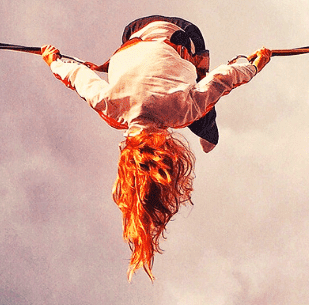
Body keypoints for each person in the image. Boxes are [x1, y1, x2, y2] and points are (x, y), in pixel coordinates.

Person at [41, 16, 271, 281]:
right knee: (193, 101)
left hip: (183, 32)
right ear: (126, 151)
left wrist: (254, 65)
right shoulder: (112, 110)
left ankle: (210, 135)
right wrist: (54, 61)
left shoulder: (181, 113)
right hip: (133, 30)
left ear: (167, 150)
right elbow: (78, 76)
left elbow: (223, 79)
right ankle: (205, 129)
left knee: (200, 101)